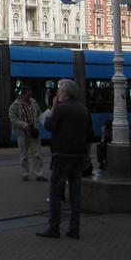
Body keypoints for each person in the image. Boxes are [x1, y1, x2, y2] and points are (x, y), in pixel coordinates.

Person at [36, 78, 91, 239]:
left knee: (56, 191)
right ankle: (74, 229)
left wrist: (54, 107)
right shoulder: (83, 109)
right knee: (75, 192)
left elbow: (49, 126)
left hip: (62, 155)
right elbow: (89, 135)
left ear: (66, 93)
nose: (57, 94)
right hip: (79, 156)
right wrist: (87, 155)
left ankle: (54, 228)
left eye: (59, 91)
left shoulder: (61, 109)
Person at [9, 85, 45, 181]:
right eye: (28, 95)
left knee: (37, 154)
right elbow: (13, 120)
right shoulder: (14, 106)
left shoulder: (33, 102)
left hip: (34, 132)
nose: (30, 97)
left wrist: (46, 119)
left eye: (30, 94)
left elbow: (39, 113)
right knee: (23, 155)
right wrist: (25, 125)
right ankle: (25, 174)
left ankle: (39, 174)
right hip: (22, 133)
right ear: (22, 94)